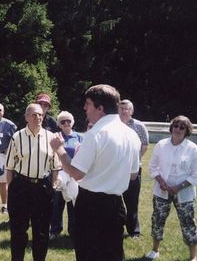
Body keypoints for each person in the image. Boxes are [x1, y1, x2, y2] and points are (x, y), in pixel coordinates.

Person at [50, 84, 141, 261]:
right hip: (116, 204)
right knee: (113, 254)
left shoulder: (97, 133)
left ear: (100, 108)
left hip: (91, 205)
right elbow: (133, 175)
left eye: (88, 104)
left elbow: (76, 173)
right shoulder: (131, 134)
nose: (85, 108)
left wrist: (59, 150)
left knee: (88, 254)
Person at [6, 103, 61, 261]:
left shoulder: (51, 137)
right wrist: (11, 189)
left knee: (41, 231)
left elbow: (55, 166)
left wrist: (54, 184)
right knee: (18, 230)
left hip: (42, 188)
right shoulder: (17, 137)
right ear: (26, 117)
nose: (38, 117)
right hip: (21, 187)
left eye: (40, 115)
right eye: (34, 114)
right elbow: (9, 167)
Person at [145, 116, 197, 261]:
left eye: (182, 127)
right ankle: (155, 250)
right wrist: (161, 181)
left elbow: (196, 174)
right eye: (175, 126)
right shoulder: (161, 145)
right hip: (162, 190)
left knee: (188, 223)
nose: (178, 129)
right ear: (171, 127)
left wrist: (180, 186)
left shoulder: (193, 149)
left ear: (187, 131)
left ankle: (193, 256)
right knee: (157, 220)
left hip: (184, 192)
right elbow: (152, 166)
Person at [49, 111, 83, 241]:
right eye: (63, 121)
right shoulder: (56, 137)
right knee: (57, 203)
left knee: (73, 203)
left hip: (74, 174)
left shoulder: (79, 137)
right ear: (59, 124)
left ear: (72, 122)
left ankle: (73, 231)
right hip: (59, 173)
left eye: (68, 121)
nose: (66, 124)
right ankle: (55, 230)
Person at [119, 99, 149, 238]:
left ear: (132, 111)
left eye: (127, 109)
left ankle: (134, 231)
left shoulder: (139, 126)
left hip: (134, 170)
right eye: (121, 108)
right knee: (114, 201)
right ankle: (116, 228)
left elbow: (144, 146)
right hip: (115, 169)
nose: (124, 111)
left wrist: (134, 162)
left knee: (132, 202)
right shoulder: (114, 125)